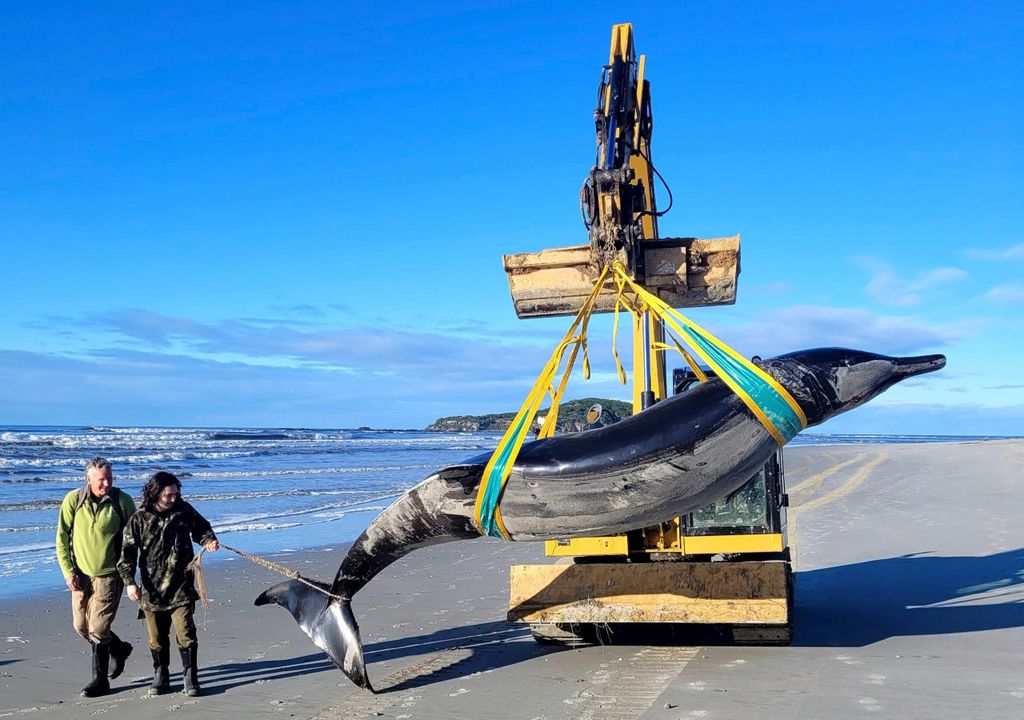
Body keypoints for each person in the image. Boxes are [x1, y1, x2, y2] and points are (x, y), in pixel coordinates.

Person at [117, 471, 219, 697]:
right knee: (156, 638)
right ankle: (161, 674)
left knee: (186, 632)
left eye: (176, 493)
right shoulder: (139, 518)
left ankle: (190, 677)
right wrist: (129, 583)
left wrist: (209, 540)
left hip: (181, 585)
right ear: (155, 493)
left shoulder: (183, 511)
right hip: (152, 590)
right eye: (169, 495)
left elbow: (202, 529)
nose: (174, 498)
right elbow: (127, 554)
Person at [55, 457, 138, 697]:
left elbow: (134, 540)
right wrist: (68, 572)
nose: (106, 483)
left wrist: (130, 576)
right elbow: (62, 539)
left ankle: (100, 681)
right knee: (81, 627)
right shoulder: (73, 500)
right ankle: (120, 649)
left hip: (110, 575)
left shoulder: (122, 501)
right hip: (80, 576)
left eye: (110, 478)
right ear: (88, 479)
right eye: (101, 479)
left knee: (99, 628)